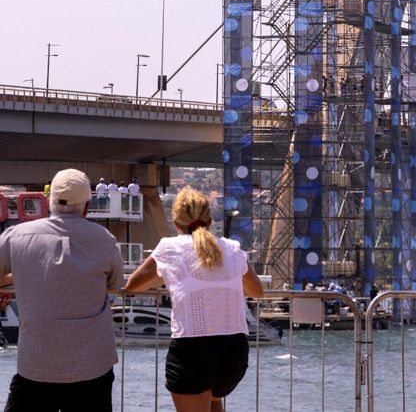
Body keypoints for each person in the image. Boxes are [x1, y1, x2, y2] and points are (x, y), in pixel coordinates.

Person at [125, 187, 264, 412]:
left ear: (176, 223)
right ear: (210, 220)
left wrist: (169, 279)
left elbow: (133, 285)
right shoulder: (232, 248)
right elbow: (257, 291)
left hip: (193, 352)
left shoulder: (169, 248)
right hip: (233, 353)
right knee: (213, 401)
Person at [0, 168, 124, 411]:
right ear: (87, 206)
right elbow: (116, 284)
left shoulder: (15, 236)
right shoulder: (105, 239)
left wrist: (26, 276)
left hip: (36, 364)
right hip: (92, 366)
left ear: (49, 202)